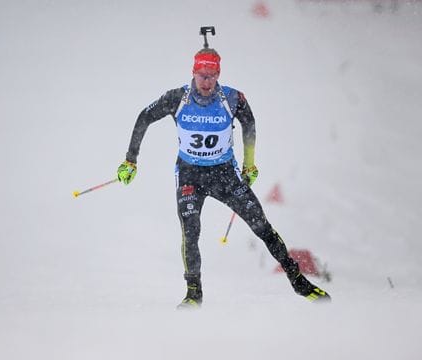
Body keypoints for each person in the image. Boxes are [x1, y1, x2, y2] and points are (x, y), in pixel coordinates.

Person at [116, 47, 330, 309]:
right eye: (202, 75)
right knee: (190, 232)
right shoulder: (177, 98)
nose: (206, 82)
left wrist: (249, 165)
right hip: (190, 177)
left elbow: (249, 124)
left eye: (212, 76)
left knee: (261, 226)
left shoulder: (232, 98)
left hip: (224, 176)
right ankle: (193, 293)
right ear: (193, 73)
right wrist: (131, 159)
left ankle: (299, 282)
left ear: (218, 74)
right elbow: (144, 117)